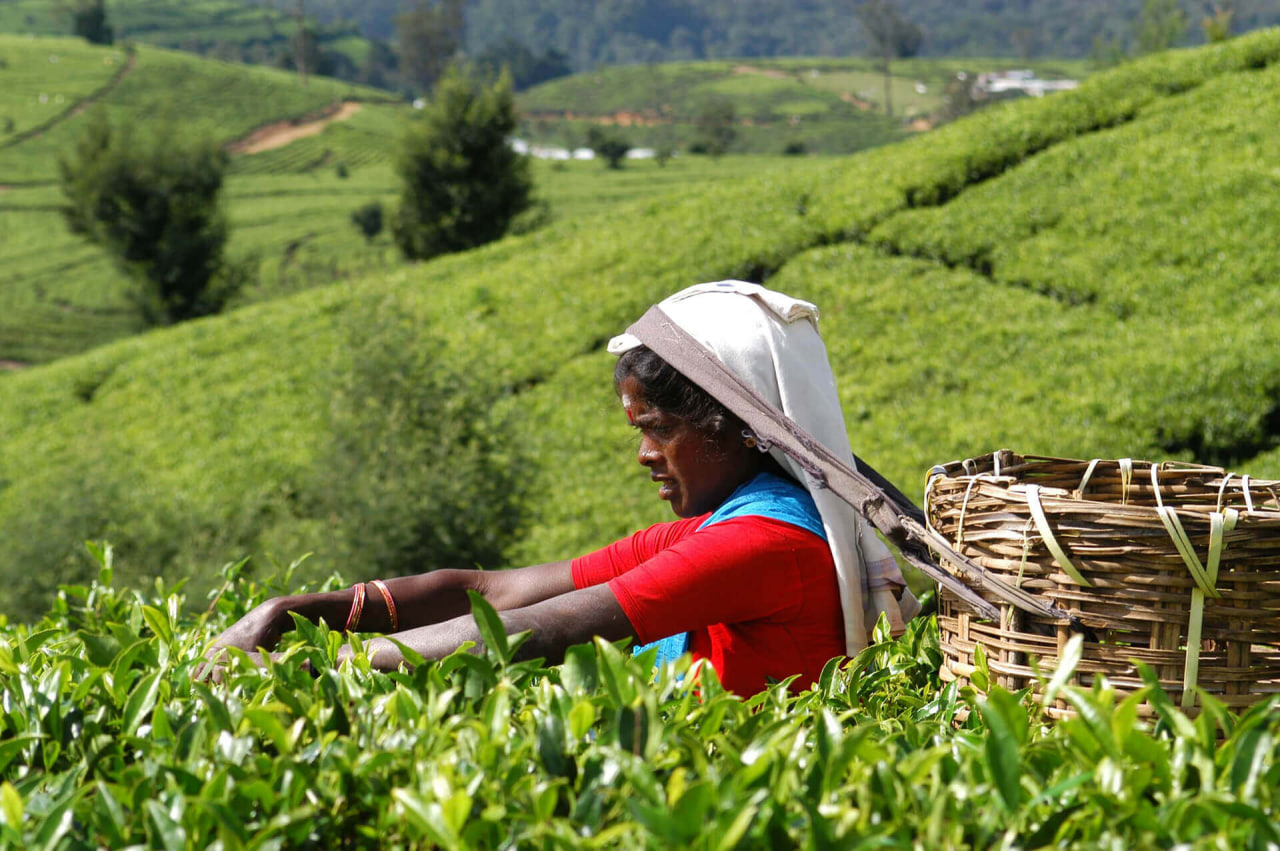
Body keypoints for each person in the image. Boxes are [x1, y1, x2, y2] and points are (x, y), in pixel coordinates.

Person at [205, 281, 918, 694]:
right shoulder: (730, 521)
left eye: (660, 428)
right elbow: (498, 591)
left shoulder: (761, 542)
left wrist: (316, 662)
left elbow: (534, 630)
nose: (644, 455)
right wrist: (311, 608)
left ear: (738, 427)